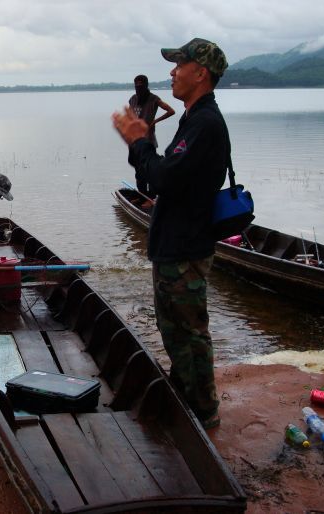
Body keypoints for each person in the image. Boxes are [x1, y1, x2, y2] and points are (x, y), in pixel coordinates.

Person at [112, 38, 229, 429]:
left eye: (180, 64)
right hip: (176, 245)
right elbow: (166, 178)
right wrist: (140, 146)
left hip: (185, 249)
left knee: (189, 333)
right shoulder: (193, 120)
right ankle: (188, 398)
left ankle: (204, 413)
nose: (172, 72)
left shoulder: (204, 123)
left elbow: (161, 176)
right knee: (175, 330)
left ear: (201, 73)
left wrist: (139, 141)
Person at [128, 74, 175, 200]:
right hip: (135, 141)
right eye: (136, 85)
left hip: (148, 141)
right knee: (139, 172)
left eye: (141, 85)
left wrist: (154, 121)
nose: (138, 88)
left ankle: (152, 198)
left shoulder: (153, 99)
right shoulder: (133, 99)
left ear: (146, 86)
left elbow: (171, 111)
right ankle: (144, 197)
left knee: (150, 170)